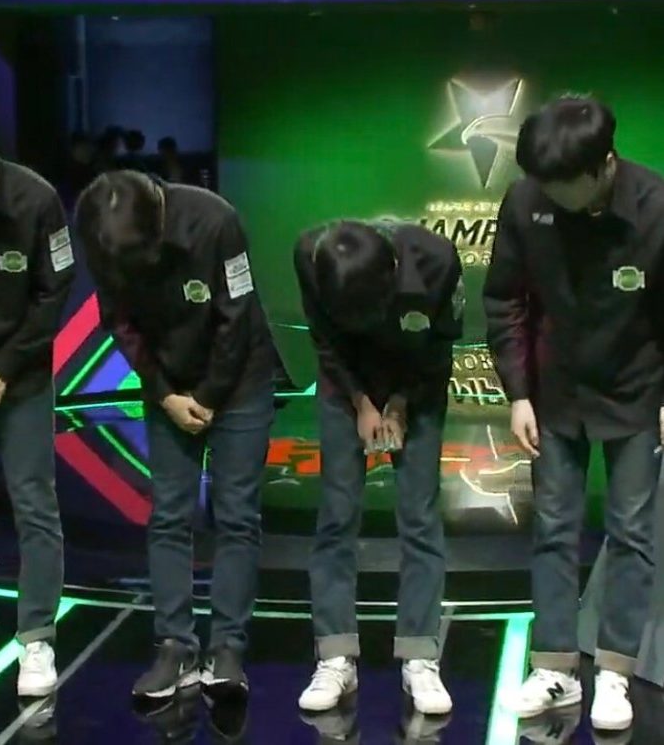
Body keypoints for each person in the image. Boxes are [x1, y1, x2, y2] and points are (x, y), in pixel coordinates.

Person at [483, 97, 664, 732]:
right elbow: (503, 299)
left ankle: (614, 670)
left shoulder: (656, 206)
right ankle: (554, 668)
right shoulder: (524, 201)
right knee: (554, 528)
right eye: (543, 184)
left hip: (636, 389)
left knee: (633, 532)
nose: (552, 196)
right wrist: (518, 392)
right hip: (554, 393)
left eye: (565, 185)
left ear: (605, 164)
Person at [75, 170, 274, 701]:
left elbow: (237, 316)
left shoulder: (215, 221)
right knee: (168, 514)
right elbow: (119, 322)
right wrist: (164, 394)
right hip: (166, 381)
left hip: (239, 380)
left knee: (236, 515)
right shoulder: (100, 233)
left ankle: (227, 647)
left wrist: (207, 396)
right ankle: (175, 645)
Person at [294, 219, 464, 715]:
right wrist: (362, 403)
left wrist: (400, 403)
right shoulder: (310, 255)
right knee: (337, 515)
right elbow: (325, 342)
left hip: (417, 378)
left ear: (392, 271)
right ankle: (335, 656)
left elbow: (440, 346)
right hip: (347, 384)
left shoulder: (436, 261)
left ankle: (419, 656)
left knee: (419, 515)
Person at [0, 133, 74, 696]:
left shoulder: (37, 200)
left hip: (23, 371)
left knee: (34, 500)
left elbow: (54, 293)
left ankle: (37, 638)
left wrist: (3, 366)